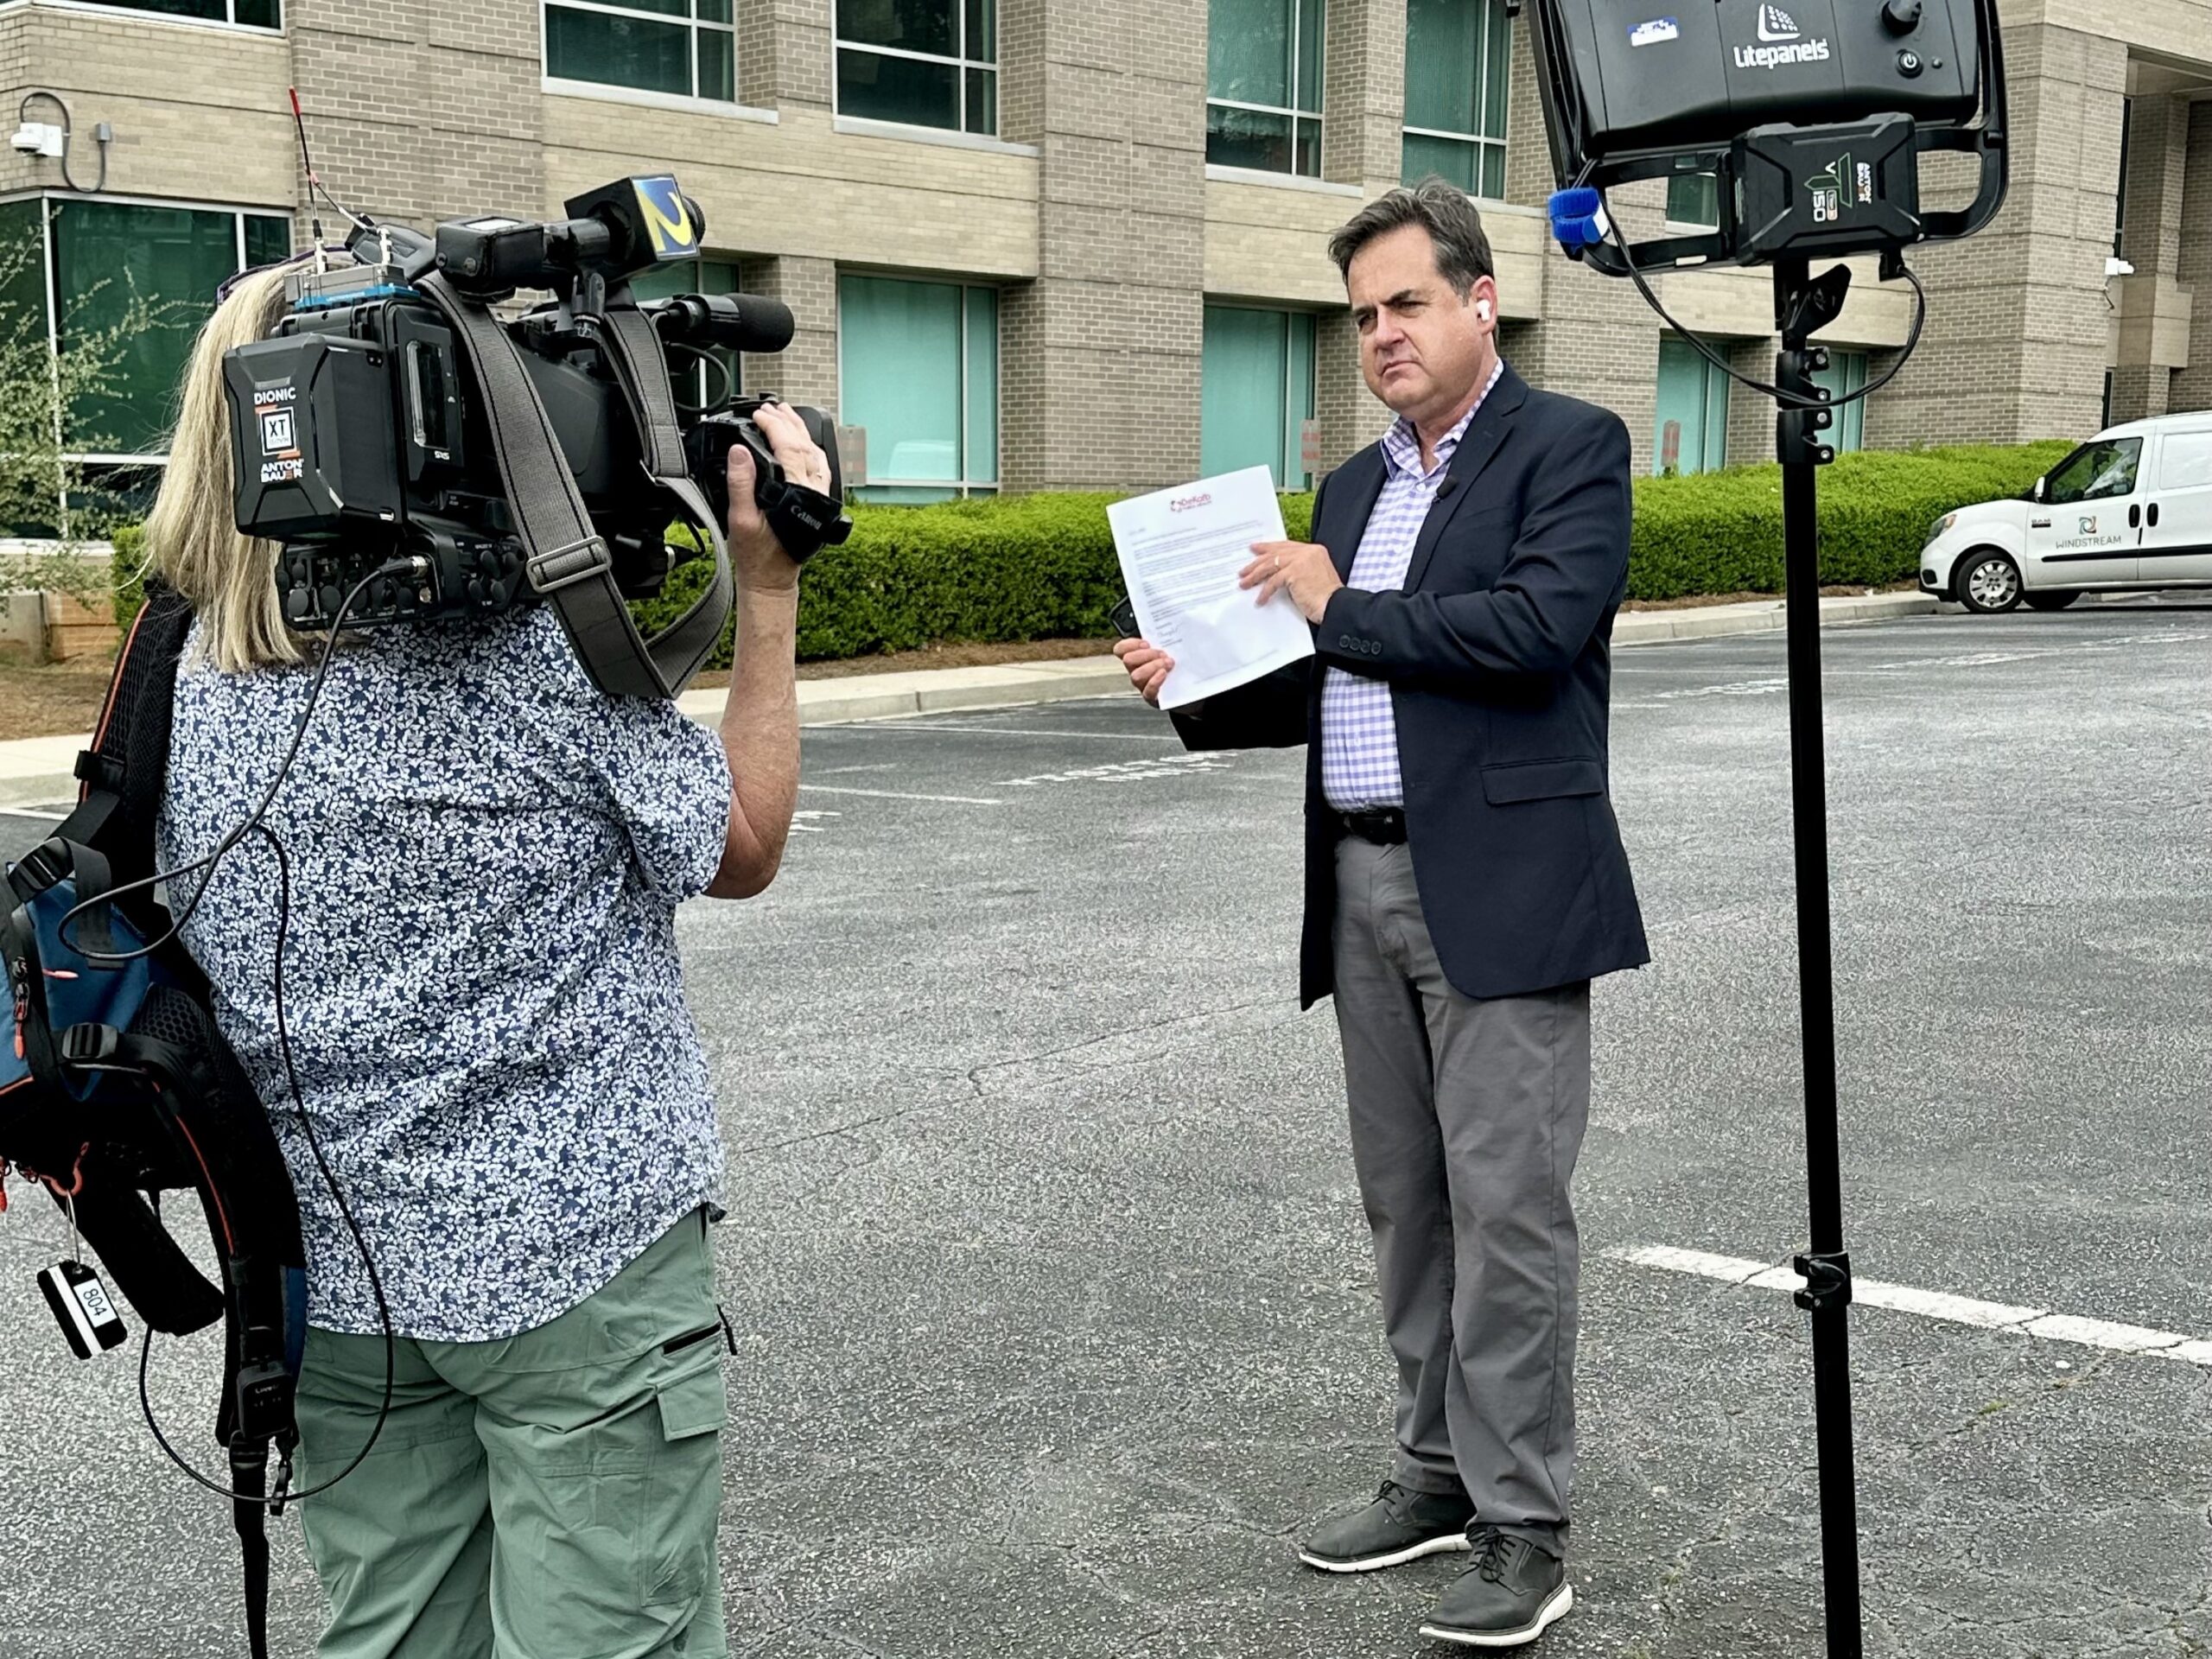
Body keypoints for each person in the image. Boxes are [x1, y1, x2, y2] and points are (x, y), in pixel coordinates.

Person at [143, 256, 827, 1659]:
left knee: (393, 1638)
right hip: (583, 1270)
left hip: (333, 1280)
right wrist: (766, 589)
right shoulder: (535, 659)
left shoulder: (172, 673)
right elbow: (743, 843)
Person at [1116, 179, 1649, 1649]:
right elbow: (1334, 678)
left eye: (1406, 303)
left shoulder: (1570, 448)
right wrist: (1195, 685)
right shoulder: (1355, 488)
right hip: (1356, 881)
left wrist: (1332, 603)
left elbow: (1533, 633)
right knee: (1405, 1203)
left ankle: (1523, 1526)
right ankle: (1431, 1471)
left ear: (1481, 300)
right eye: (1360, 317)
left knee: (1507, 1211)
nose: (1381, 335)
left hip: (1503, 887)